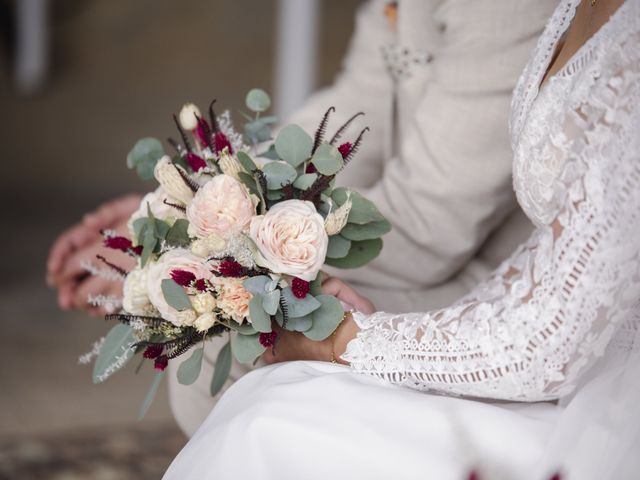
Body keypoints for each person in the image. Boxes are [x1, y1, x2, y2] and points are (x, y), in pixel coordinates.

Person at [162, 0, 640, 478]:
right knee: (267, 390)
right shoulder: (577, 8)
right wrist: (196, 209)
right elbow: (555, 250)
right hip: (530, 310)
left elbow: (542, 338)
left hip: (591, 377)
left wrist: (347, 338)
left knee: (270, 419)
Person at [47, 0, 556, 435]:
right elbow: (354, 111)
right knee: (218, 331)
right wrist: (183, 209)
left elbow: (428, 224)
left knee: (226, 347)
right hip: (438, 246)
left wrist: (212, 264)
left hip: (500, 280)